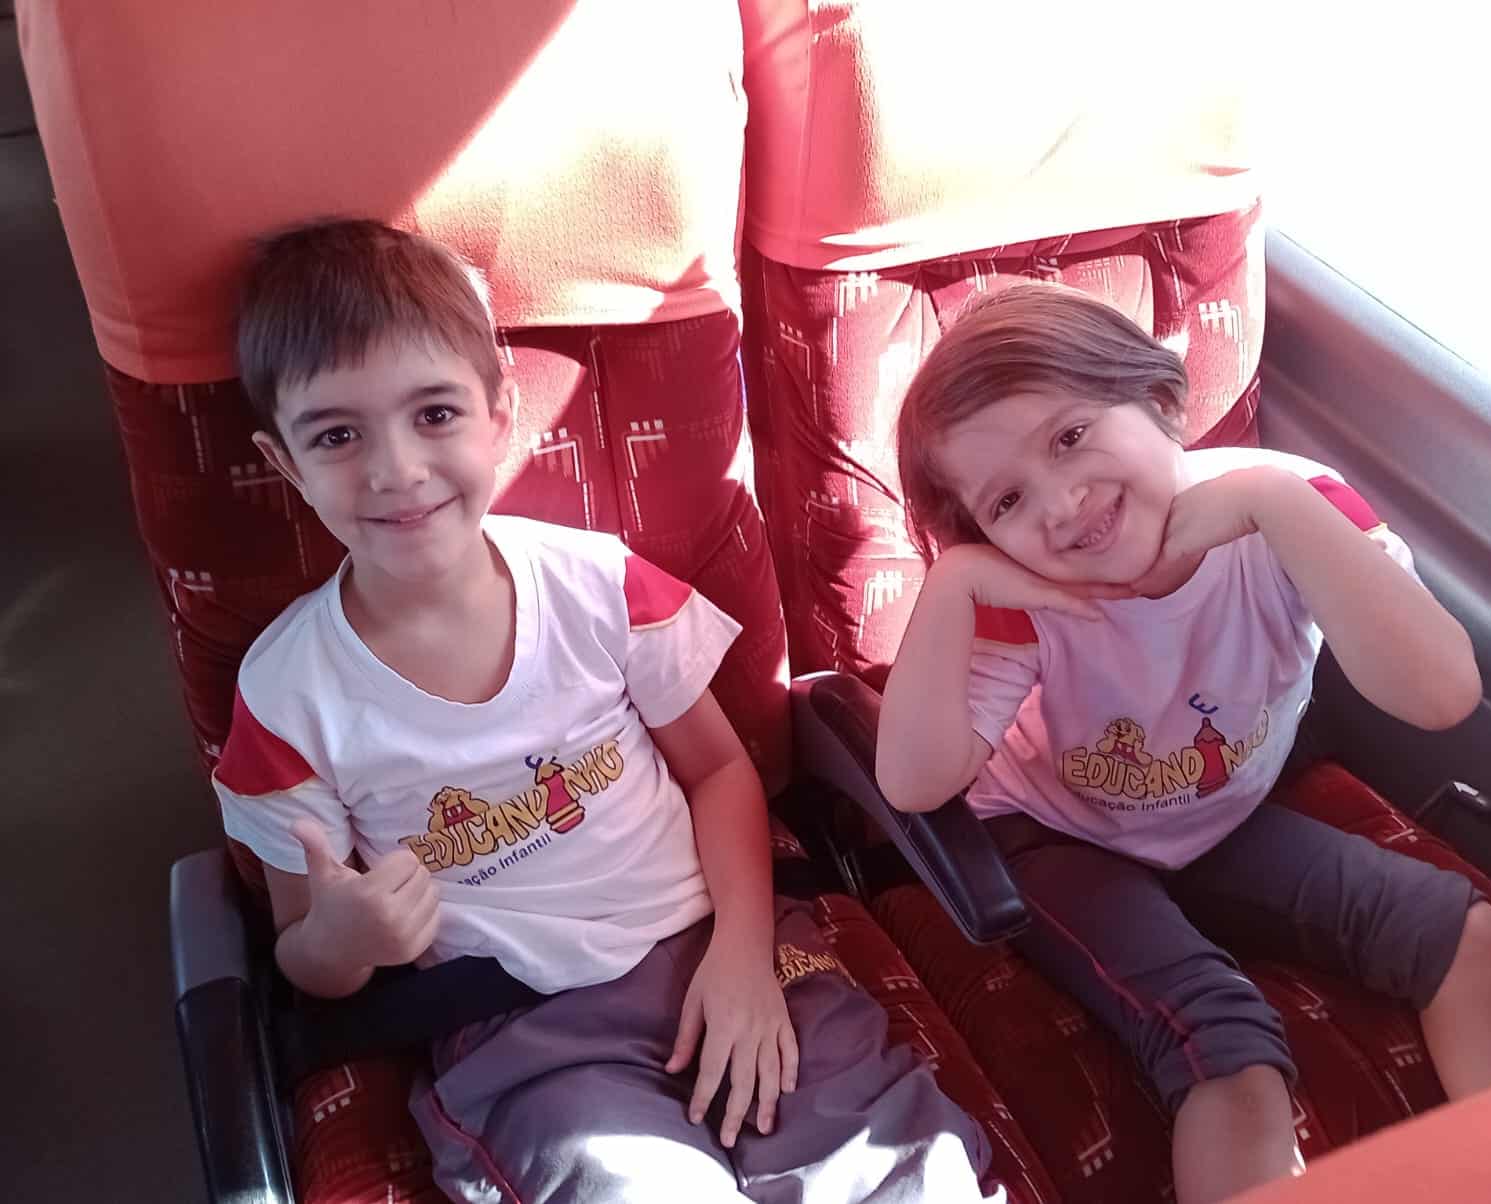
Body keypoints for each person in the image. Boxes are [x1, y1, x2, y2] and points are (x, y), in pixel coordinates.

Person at [210, 219, 998, 1203]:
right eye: (336, 436)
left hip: (726, 945)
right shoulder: (288, 697)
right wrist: (348, 939)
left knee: (898, 1172)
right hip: (526, 1028)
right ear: (284, 462)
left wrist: (744, 955)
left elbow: (721, 770)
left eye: (435, 414)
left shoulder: (602, 588)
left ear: (500, 414)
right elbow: (304, 955)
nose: (396, 469)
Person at [876, 281, 1491, 1204]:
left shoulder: (1291, 507)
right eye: (1005, 502)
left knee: (1456, 930)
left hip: (1219, 817)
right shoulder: (1024, 597)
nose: (1063, 505)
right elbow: (915, 784)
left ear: (1155, 394)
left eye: (1070, 436)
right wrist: (954, 583)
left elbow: (1441, 694)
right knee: (1224, 1042)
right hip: (1056, 836)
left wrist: (1276, 504)